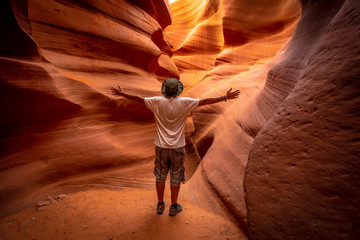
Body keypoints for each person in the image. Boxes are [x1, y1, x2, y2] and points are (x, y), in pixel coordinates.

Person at [111, 78, 240, 216]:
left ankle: (160, 205)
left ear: (164, 90)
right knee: (175, 177)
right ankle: (173, 206)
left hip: (161, 147)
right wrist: (225, 97)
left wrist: (122, 93)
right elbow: (205, 101)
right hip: (177, 148)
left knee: (160, 176)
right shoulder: (185, 103)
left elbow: (138, 98)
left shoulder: (156, 101)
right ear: (178, 90)